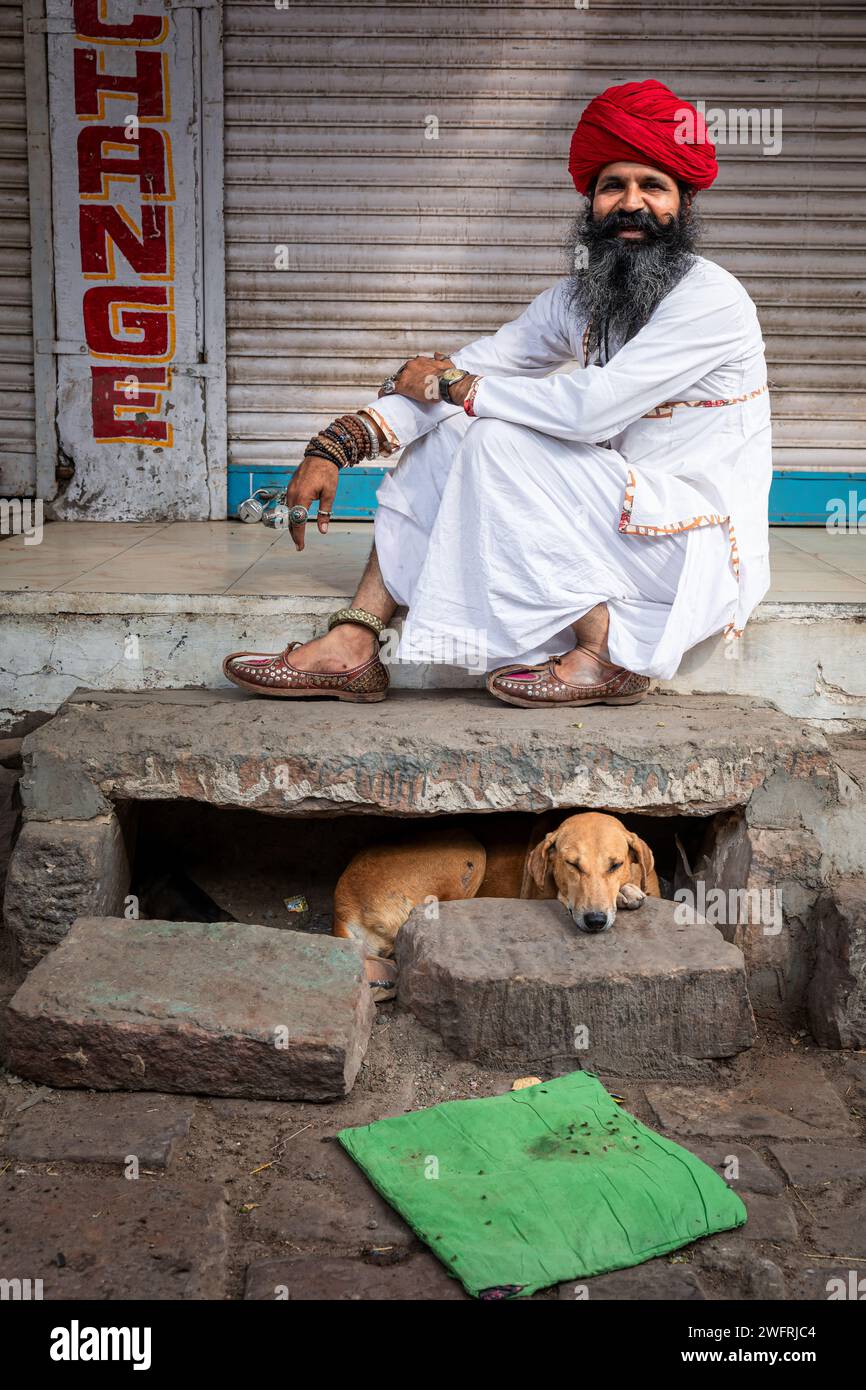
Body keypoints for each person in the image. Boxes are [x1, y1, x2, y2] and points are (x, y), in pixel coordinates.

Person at [223, 78, 771, 708]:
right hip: (618, 518)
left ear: (683, 204)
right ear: (590, 202)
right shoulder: (580, 297)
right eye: (612, 186)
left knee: (494, 435)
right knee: (455, 428)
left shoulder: (711, 297)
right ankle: (355, 643)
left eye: (653, 186)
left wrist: (460, 386)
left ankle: (606, 653)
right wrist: (335, 446)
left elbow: (590, 405)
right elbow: (465, 370)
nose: (631, 203)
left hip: (691, 541)